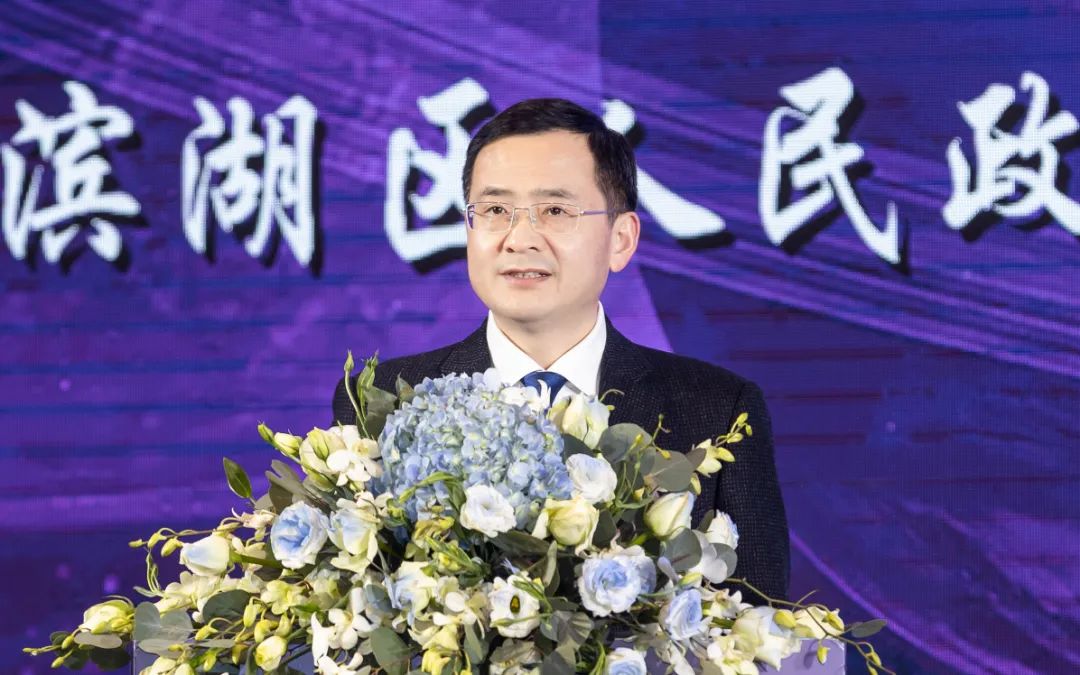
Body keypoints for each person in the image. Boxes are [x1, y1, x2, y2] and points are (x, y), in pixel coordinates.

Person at [333, 98, 789, 602]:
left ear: (621, 239)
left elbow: (758, 615)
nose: (519, 239)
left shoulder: (716, 410)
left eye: (554, 211)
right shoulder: (382, 401)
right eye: (495, 210)